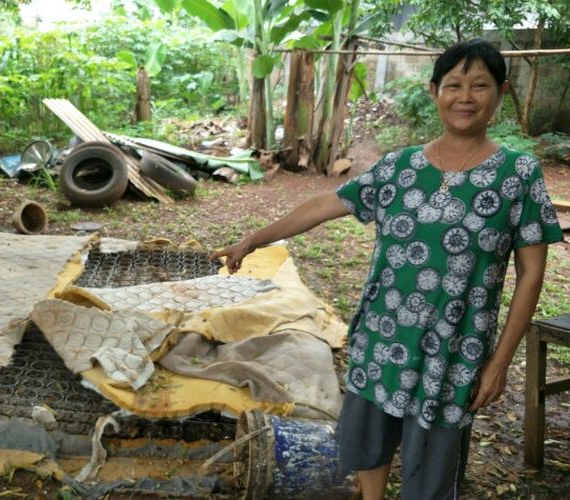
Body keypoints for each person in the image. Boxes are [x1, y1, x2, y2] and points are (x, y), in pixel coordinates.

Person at [211, 39, 564, 500]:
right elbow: (323, 204)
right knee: (368, 445)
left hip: (454, 350)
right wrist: (251, 240)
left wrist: (499, 363)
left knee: (434, 466)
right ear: (434, 90)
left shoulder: (517, 174)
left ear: (499, 94)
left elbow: (531, 275)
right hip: (384, 336)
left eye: (480, 86)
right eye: (453, 85)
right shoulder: (400, 167)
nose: (465, 97)